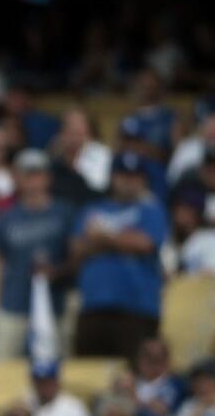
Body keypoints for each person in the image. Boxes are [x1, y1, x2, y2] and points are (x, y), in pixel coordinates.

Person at [72, 152, 167, 361]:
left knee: (131, 374)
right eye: (123, 176)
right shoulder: (92, 209)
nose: (129, 182)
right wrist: (122, 241)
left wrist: (102, 238)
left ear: (143, 180)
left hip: (137, 307)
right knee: (90, 372)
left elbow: (144, 244)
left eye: (135, 177)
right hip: (93, 306)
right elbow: (77, 249)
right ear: (113, 177)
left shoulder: (151, 210)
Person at [0, 148, 74, 358]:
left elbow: (75, 256)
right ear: (17, 178)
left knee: (57, 365)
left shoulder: (64, 213)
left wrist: (59, 273)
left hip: (56, 305)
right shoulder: (6, 217)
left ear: (47, 178)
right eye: (27, 174)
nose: (33, 181)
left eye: (38, 174)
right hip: (13, 304)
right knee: (3, 366)